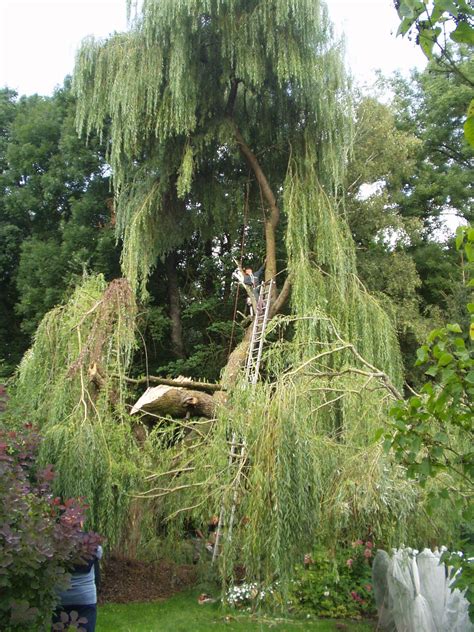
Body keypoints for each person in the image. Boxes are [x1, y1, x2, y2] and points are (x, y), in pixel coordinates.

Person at [52, 543, 103, 632]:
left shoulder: (55, 544)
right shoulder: (93, 546)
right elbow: (99, 554)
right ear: (80, 527)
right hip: (85, 597)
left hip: (61, 597)